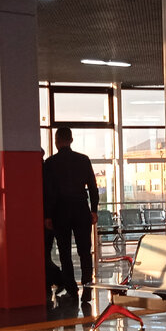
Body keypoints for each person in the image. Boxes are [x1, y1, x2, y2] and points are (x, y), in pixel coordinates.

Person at [43, 127, 99, 301]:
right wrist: (94, 209)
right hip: (81, 209)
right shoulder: (83, 160)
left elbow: (48, 192)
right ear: (71, 140)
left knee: (65, 252)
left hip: (60, 212)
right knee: (84, 251)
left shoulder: (50, 163)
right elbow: (93, 187)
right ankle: (87, 288)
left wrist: (48, 215)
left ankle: (71, 289)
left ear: (56, 141)